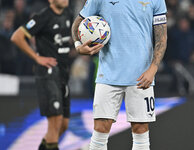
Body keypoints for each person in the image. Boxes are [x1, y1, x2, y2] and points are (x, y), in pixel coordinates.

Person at [72, 0, 167, 149]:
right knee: (100, 129)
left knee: (141, 130)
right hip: (108, 75)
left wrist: (153, 69)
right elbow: (78, 22)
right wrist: (78, 46)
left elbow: (161, 37)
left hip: (141, 76)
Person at [11, 0, 74, 150]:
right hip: (48, 74)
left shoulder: (68, 14)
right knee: (56, 121)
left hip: (63, 75)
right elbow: (17, 37)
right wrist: (37, 57)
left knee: (63, 125)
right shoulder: (42, 17)